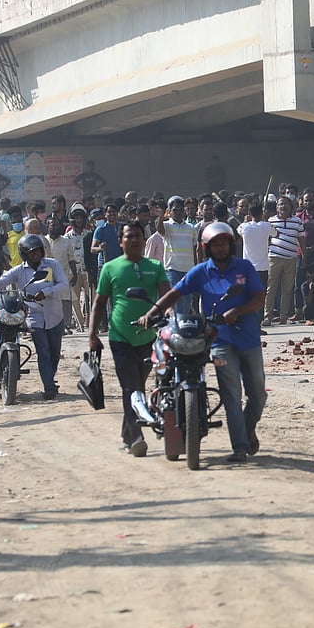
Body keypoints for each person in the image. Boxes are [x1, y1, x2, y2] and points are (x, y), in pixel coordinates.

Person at [141, 223, 265, 463]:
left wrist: (238, 311)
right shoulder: (200, 271)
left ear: (231, 244)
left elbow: (259, 297)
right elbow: (176, 292)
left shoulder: (245, 267)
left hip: (248, 339)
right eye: (215, 244)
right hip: (219, 341)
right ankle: (239, 447)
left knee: (258, 394)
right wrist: (153, 311)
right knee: (231, 396)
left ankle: (248, 428)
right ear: (207, 248)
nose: (221, 248)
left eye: (224, 243)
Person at [88, 220, 171, 457]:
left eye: (138, 236)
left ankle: (127, 433)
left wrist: (168, 316)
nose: (134, 240)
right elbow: (99, 302)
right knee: (130, 387)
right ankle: (136, 437)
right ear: (120, 241)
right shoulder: (110, 268)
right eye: (129, 236)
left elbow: (167, 298)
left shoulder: (155, 266)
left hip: (148, 338)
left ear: (144, 241)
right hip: (120, 337)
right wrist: (92, 333)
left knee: (139, 386)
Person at [0, 235, 67, 399]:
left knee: (54, 353)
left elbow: (64, 284)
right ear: (24, 254)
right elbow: (0, 282)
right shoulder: (19, 270)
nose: (35, 254)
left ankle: (50, 378)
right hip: (34, 318)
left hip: (55, 316)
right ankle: (49, 386)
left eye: (37, 251)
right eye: (31, 252)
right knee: (43, 352)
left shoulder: (53, 265)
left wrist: (46, 292)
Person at [264, 196, 306, 325]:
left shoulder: (297, 221)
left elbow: (302, 240)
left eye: (285, 204)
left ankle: (283, 317)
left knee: (287, 289)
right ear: (276, 207)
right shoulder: (270, 221)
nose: (283, 207)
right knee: (271, 288)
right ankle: (267, 316)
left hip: (291, 258)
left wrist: (304, 256)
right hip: (274, 258)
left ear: (291, 206)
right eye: (280, 204)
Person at [156, 196, 200, 314]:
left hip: (188, 271)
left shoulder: (191, 228)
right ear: (169, 212)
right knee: (176, 300)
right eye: (175, 210)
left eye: (181, 210)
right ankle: (176, 327)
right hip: (173, 270)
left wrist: (196, 267)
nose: (178, 212)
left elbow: (195, 248)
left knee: (187, 300)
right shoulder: (167, 226)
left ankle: (182, 326)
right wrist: (161, 217)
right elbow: (160, 229)